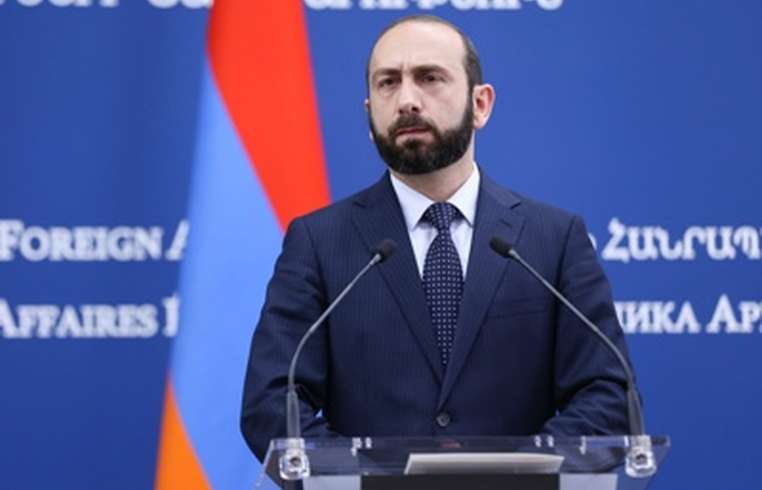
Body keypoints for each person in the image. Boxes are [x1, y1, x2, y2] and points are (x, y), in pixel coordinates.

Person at [241, 15, 634, 462]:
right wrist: (370, 483)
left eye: (429, 78)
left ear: (480, 104)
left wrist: (521, 475)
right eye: (388, 83)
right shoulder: (318, 242)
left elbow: (608, 397)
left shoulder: (552, 240)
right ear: (370, 114)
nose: (407, 100)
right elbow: (272, 406)